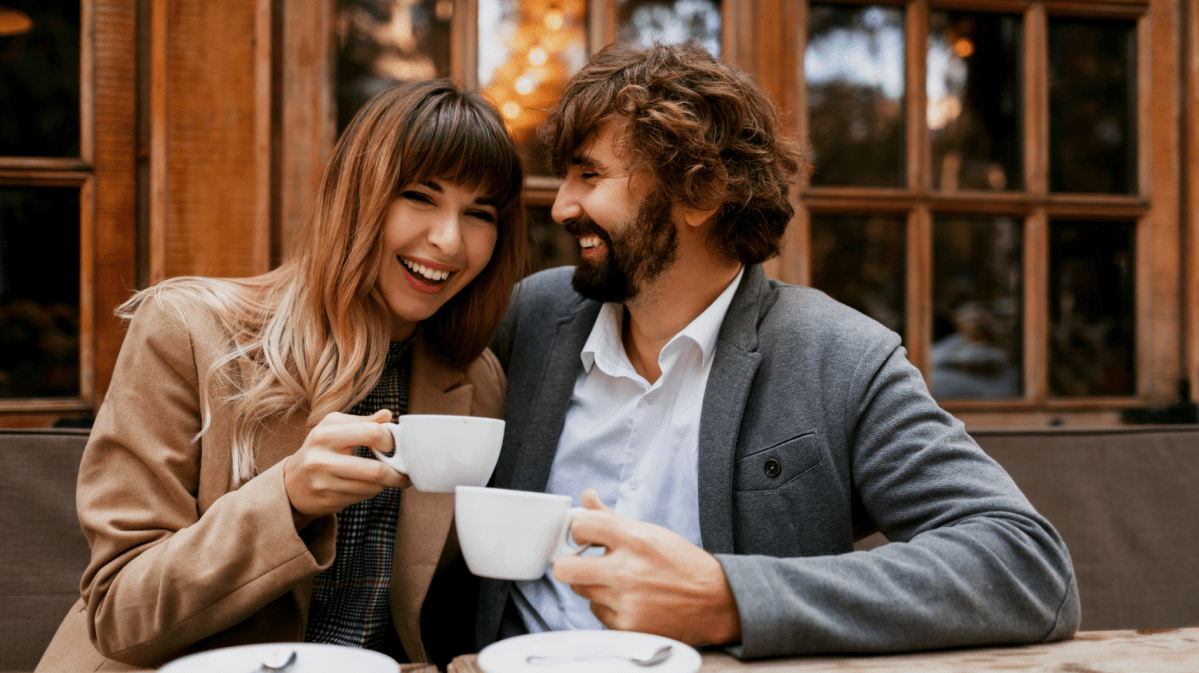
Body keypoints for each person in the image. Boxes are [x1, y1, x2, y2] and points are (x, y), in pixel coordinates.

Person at [479, 42, 1079, 659]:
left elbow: (1026, 565)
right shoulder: (531, 317)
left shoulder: (839, 358)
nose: (560, 206)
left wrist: (730, 599)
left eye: (590, 175)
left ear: (701, 191)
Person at [37, 80, 527, 671]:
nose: (449, 241)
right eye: (420, 197)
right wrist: (287, 499)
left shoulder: (474, 381)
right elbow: (119, 614)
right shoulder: (188, 332)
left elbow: (420, 613)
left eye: (479, 214)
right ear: (357, 196)